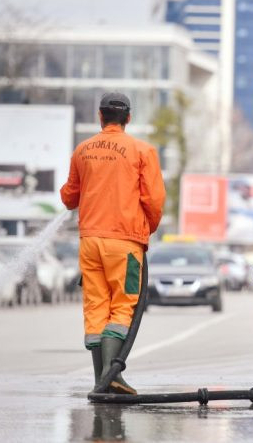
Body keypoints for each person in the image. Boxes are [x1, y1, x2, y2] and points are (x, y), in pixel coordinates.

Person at [60, 92, 166, 395]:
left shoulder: (82, 150)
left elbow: (69, 197)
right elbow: (154, 199)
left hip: (90, 241)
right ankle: (111, 376)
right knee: (123, 306)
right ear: (128, 118)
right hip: (124, 241)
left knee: (96, 307)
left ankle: (100, 381)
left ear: (100, 116)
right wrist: (148, 228)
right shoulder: (142, 151)